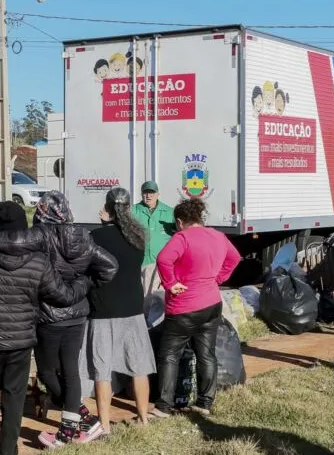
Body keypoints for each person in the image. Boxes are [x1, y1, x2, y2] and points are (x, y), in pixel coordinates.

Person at [0, 201, 91, 455]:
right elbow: (62, 296)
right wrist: (84, 282)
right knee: (14, 397)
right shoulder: (37, 260)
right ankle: (7, 451)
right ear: (24, 227)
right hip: (21, 341)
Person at [32, 191, 118, 447]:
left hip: (48, 314)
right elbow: (110, 266)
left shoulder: (39, 237)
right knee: (70, 371)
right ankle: (83, 421)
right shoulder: (83, 237)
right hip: (77, 314)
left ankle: (68, 431)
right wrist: (86, 284)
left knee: (47, 372)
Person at [153, 198, 241, 416]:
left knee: (170, 354)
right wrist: (218, 278)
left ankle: (164, 405)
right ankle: (205, 403)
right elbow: (235, 257)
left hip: (184, 306)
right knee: (206, 354)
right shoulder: (218, 236)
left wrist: (171, 284)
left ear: (180, 221)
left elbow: (163, 259)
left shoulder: (182, 237)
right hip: (212, 303)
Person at [87, 187, 158, 435]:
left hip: (103, 308)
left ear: (107, 209)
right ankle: (143, 418)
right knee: (139, 366)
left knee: (102, 369)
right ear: (129, 208)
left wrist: (102, 223)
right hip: (132, 308)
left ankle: (104, 426)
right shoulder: (138, 237)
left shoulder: (95, 236)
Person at [132, 181, 175, 324]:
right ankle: (142, 323)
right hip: (140, 261)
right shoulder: (134, 210)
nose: (148, 195)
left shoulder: (169, 212)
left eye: (151, 193)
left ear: (158, 194)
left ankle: (156, 324)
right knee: (141, 296)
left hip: (161, 264)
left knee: (158, 296)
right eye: (145, 192)